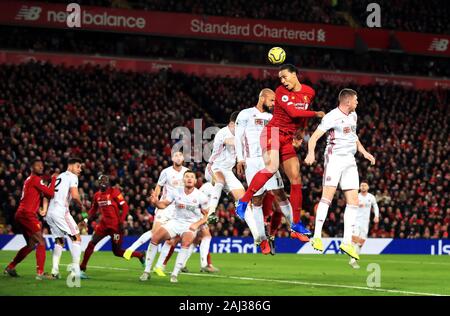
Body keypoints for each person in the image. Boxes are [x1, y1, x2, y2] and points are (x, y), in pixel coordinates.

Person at [235, 64, 325, 241]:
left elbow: (300, 116)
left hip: (288, 138)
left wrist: (302, 131)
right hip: (272, 133)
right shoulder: (280, 91)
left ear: (294, 74)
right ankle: (243, 201)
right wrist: (316, 114)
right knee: (272, 166)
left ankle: (296, 224)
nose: (282, 81)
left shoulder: (309, 92)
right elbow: (292, 111)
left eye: (285, 77)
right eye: (280, 78)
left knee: (296, 179)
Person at [305, 88, 376, 260]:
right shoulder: (331, 116)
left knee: (354, 201)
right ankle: (316, 237)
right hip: (334, 159)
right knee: (327, 198)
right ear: (347, 101)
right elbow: (314, 137)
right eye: (356, 100)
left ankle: (346, 242)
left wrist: (364, 152)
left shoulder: (353, 116)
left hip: (350, 161)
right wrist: (311, 153)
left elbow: (354, 136)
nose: (358, 103)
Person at [235, 88, 294, 254]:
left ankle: (294, 227)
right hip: (252, 161)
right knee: (257, 200)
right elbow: (239, 137)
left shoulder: (272, 118)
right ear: (263, 98)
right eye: (272, 101)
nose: (274, 104)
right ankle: (261, 239)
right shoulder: (245, 114)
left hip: (268, 159)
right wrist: (240, 158)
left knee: (280, 194)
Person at [123, 151, 188, 277]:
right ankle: (131, 249)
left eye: (180, 155)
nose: (178, 157)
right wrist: (156, 198)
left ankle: (158, 267)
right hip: (165, 206)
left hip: (178, 209)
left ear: (183, 158)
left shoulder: (187, 172)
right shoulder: (166, 171)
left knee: (171, 240)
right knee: (155, 232)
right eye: (176, 155)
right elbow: (158, 186)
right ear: (172, 158)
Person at [140, 170, 209, 283]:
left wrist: (196, 224)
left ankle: (175, 274)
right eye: (187, 176)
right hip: (175, 221)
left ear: (195, 181)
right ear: (183, 180)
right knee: (154, 238)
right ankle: (146, 272)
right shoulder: (176, 192)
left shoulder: (201, 196)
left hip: (190, 224)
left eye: (192, 177)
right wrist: (156, 202)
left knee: (186, 243)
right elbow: (163, 205)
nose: (189, 179)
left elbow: (207, 216)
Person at [205, 112, 260, 240]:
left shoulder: (239, 135)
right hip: (213, 168)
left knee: (244, 201)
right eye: (240, 125)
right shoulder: (223, 132)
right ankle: (211, 212)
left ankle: (258, 236)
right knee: (220, 181)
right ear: (232, 123)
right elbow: (230, 141)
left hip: (228, 172)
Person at [79, 175, 144, 278]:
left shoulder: (114, 192)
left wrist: (121, 221)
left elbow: (125, 206)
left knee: (117, 252)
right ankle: (82, 269)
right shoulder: (97, 195)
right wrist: (86, 219)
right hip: (103, 226)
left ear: (108, 182)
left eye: (105, 181)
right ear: (98, 183)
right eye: (101, 181)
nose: (103, 183)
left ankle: (140, 255)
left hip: (116, 227)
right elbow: (93, 209)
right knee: (91, 244)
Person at [4, 159, 58, 279]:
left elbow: (42, 188)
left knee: (31, 244)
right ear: (32, 168)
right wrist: (54, 179)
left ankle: (10, 267)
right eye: (37, 166)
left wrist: (48, 178)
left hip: (21, 213)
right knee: (41, 242)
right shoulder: (35, 179)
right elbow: (50, 193)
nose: (40, 167)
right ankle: (40, 273)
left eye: (41, 166)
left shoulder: (30, 179)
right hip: (27, 214)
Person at [44, 157, 84, 280]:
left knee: (59, 241)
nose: (80, 170)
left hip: (50, 213)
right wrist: (82, 206)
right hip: (61, 212)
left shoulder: (59, 176)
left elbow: (47, 193)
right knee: (76, 238)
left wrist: (44, 209)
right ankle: (75, 271)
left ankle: (55, 272)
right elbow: (75, 195)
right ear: (70, 166)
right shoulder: (72, 177)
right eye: (78, 166)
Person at [349, 181, 379, 268]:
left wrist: (376, 216)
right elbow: (350, 207)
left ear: (368, 187)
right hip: (356, 221)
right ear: (359, 187)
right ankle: (352, 260)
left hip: (365, 223)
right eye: (361, 185)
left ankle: (354, 259)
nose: (363, 187)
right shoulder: (356, 196)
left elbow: (375, 206)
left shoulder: (371, 197)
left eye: (365, 185)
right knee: (354, 240)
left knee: (361, 243)